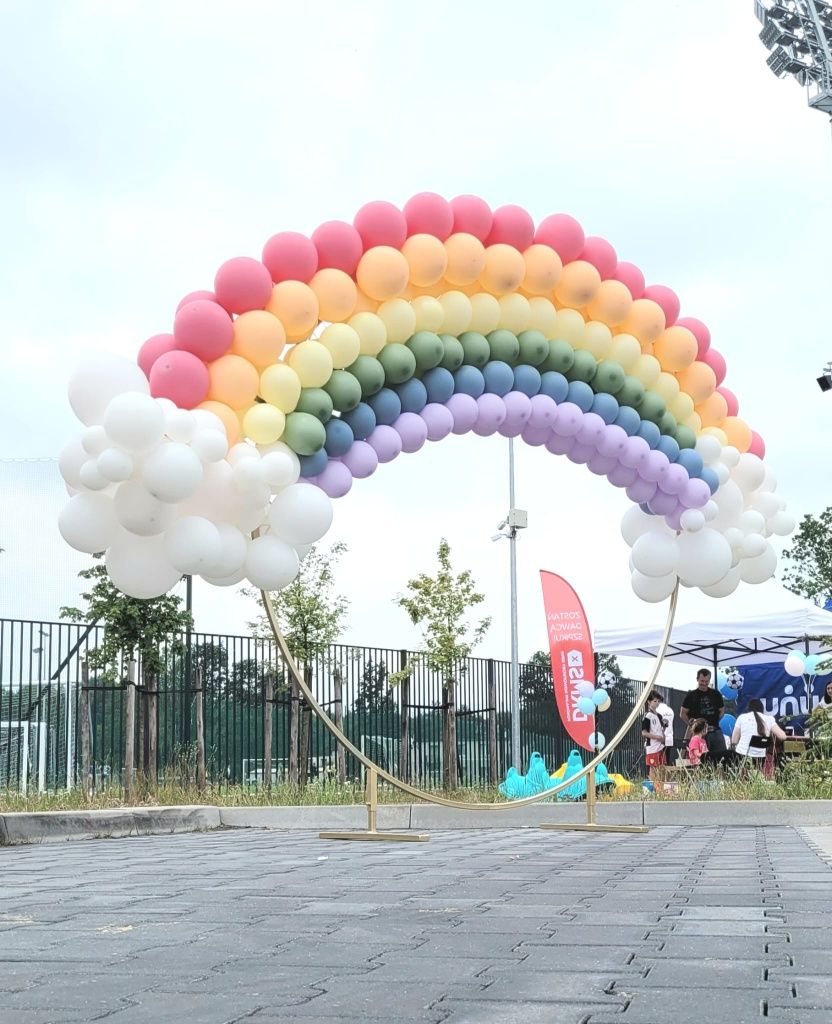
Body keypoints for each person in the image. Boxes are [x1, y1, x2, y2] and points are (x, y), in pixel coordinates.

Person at [680, 668, 727, 764]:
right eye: (702, 681)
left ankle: (721, 776)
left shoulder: (716, 694)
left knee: (722, 757)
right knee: (703, 759)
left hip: (715, 730)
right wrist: (692, 725)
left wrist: (715, 721)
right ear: (697, 679)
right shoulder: (691, 695)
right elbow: (682, 713)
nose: (704, 683)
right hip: (699, 733)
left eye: (707, 681)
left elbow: (722, 711)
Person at [731, 698, 786, 773]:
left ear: (748, 708)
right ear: (762, 709)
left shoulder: (742, 717)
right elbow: (783, 736)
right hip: (760, 759)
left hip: (742, 756)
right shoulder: (769, 719)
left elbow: (734, 741)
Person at [642, 692, 667, 779]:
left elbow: (661, 729)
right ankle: (652, 786)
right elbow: (644, 732)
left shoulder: (659, 716)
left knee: (662, 766)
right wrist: (656, 737)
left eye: (658, 701)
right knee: (653, 767)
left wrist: (663, 737)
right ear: (649, 702)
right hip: (652, 746)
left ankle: (661, 785)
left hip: (660, 745)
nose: (657, 703)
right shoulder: (647, 716)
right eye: (654, 701)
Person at [656, 694, 676, 766]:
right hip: (669, 737)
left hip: (659, 739)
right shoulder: (670, 710)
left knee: (658, 761)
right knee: (667, 759)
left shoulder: (657, 710)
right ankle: (666, 776)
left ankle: (660, 776)